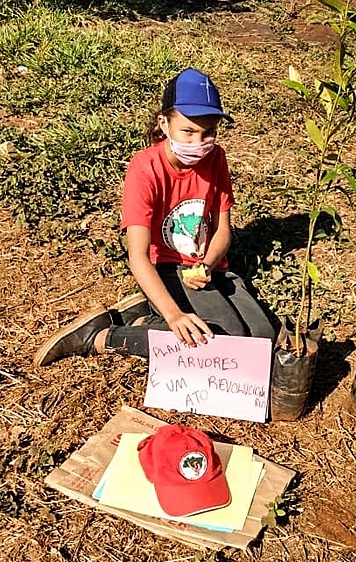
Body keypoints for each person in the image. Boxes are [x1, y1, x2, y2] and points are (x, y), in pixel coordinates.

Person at [34, 68, 275, 366]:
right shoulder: (145, 169)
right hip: (167, 268)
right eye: (187, 131)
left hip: (206, 267)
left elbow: (223, 229)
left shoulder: (216, 158)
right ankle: (101, 336)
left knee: (265, 338)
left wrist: (207, 264)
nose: (198, 142)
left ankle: (145, 316)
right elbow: (138, 256)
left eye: (209, 132)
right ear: (164, 123)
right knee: (220, 338)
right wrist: (174, 315)